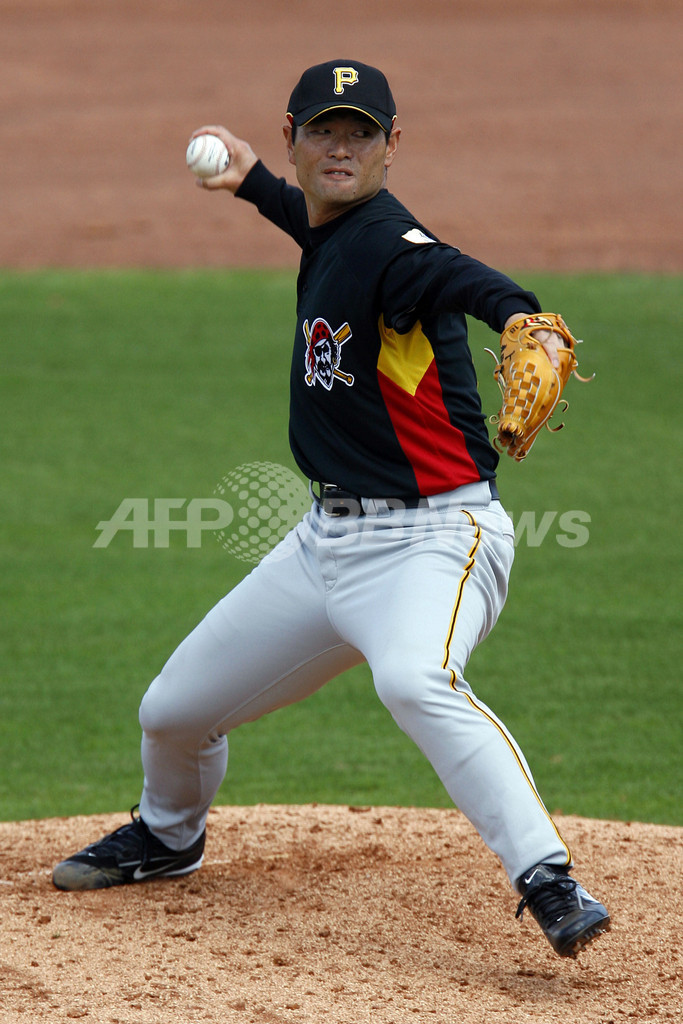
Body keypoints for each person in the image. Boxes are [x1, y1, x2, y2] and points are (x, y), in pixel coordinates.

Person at [53, 59, 610, 959]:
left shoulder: (394, 246)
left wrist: (523, 316)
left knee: (414, 680)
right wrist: (252, 185)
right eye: (323, 131)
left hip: (435, 538)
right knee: (172, 711)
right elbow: (314, 228)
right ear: (293, 139)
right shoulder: (335, 229)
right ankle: (167, 836)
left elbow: (462, 279)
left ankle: (547, 878)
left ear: (393, 146)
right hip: (323, 547)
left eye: (360, 133)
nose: (340, 147)